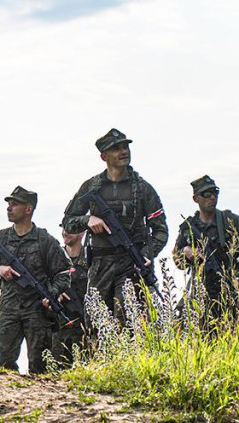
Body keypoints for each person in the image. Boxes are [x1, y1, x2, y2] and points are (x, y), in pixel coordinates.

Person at [61, 128, 168, 322]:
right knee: (96, 323)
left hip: (131, 264)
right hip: (99, 265)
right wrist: (88, 221)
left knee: (128, 323)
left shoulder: (143, 188)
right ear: (103, 156)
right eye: (116, 148)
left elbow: (160, 230)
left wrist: (145, 254)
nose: (123, 152)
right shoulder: (91, 187)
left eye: (125, 147)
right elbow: (68, 222)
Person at [0, 187, 71, 374]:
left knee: (40, 367)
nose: (9, 208)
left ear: (28, 209)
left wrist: (52, 293)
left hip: (37, 312)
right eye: (8, 204)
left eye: (15, 204)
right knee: (3, 363)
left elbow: (64, 273)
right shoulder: (0, 239)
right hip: (9, 309)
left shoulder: (45, 241)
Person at [173, 174, 239, 322]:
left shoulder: (231, 221)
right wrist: (186, 252)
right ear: (196, 198)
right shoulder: (188, 228)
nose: (212, 197)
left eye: (215, 193)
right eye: (206, 194)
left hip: (231, 287)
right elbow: (177, 261)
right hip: (202, 291)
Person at [51, 227, 88, 368]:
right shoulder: (54, 257)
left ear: (82, 232)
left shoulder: (91, 257)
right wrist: (55, 290)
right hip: (60, 327)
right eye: (63, 228)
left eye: (70, 229)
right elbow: (38, 280)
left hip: (86, 327)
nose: (65, 232)